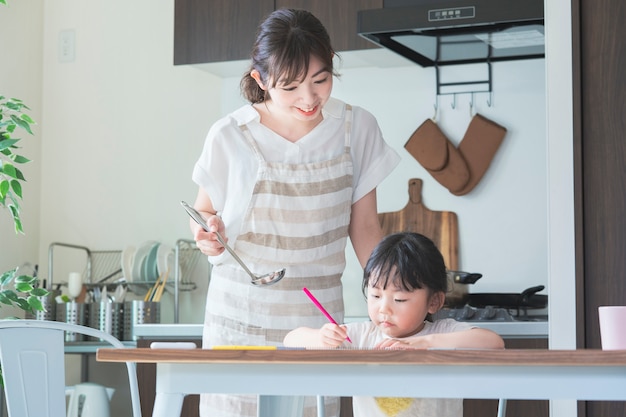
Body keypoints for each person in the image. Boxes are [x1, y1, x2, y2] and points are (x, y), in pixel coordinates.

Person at [189, 8, 400, 417]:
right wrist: (206, 233)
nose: (309, 99)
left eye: (320, 80)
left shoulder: (358, 128)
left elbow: (366, 227)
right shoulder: (229, 134)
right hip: (238, 322)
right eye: (290, 87)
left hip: (319, 322)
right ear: (260, 80)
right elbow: (202, 212)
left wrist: (388, 300)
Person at [284, 232, 505, 417]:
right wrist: (320, 337)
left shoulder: (442, 332)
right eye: (375, 296)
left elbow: (493, 343)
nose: (384, 309)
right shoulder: (360, 337)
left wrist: (424, 343)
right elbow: (290, 340)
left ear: (434, 301)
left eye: (399, 299)